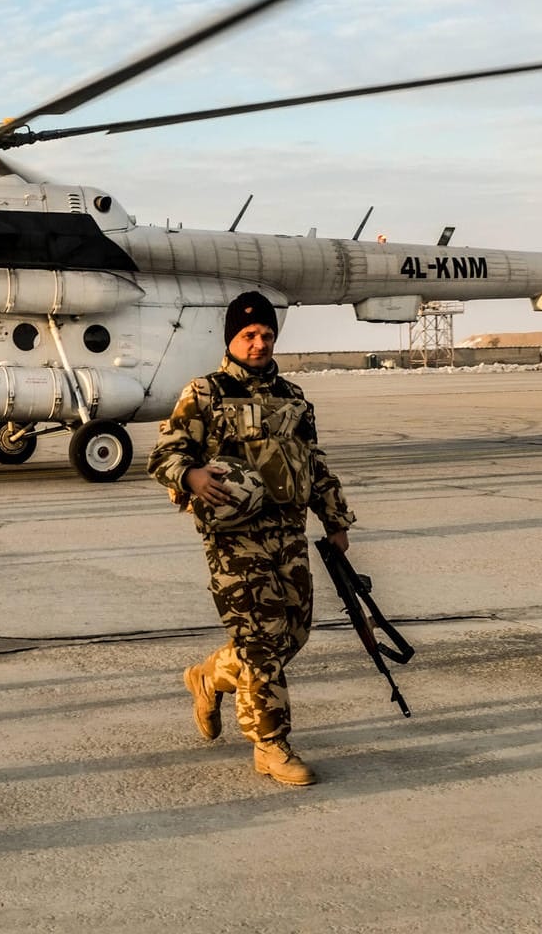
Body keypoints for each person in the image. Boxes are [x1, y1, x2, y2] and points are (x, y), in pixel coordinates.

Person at [146, 292, 356, 786]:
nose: (258, 343)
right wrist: (192, 476)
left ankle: (211, 675)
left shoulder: (295, 398)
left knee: (294, 633)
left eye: (265, 334)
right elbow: (164, 456)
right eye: (248, 335)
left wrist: (336, 520)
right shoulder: (205, 393)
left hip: (289, 536)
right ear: (231, 340)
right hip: (233, 541)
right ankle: (271, 745)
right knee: (260, 642)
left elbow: (315, 464)